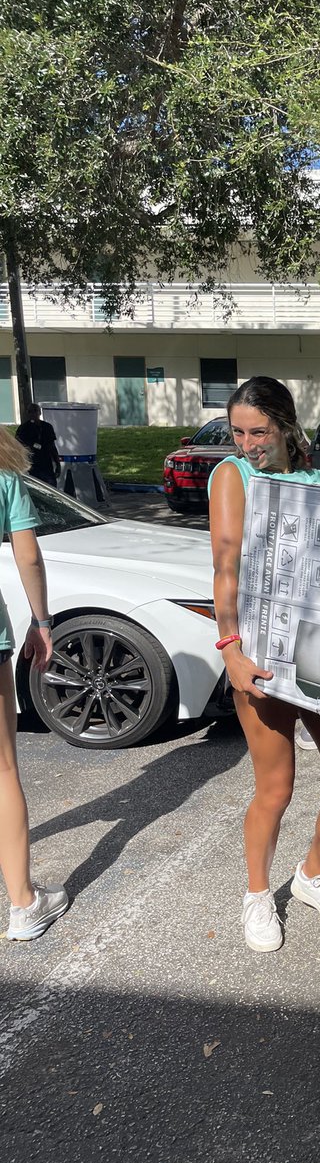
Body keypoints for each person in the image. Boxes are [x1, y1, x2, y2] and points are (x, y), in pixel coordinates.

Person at [208, 376, 320, 953]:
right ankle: (257, 895)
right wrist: (231, 649)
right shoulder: (232, 476)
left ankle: (311, 876)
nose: (248, 442)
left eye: (260, 431)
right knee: (274, 789)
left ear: (286, 427)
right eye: (238, 431)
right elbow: (225, 567)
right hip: (260, 654)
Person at [0, 433, 68, 941]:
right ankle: (23, 904)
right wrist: (41, 622)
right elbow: (28, 558)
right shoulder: (6, 479)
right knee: (3, 770)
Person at [15, 403, 62, 488]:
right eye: (30, 411)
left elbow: (52, 446)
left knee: (51, 488)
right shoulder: (23, 428)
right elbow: (18, 445)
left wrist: (57, 463)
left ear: (39, 413)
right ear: (27, 413)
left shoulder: (47, 427)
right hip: (32, 464)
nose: (33, 414)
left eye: (35, 411)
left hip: (46, 464)